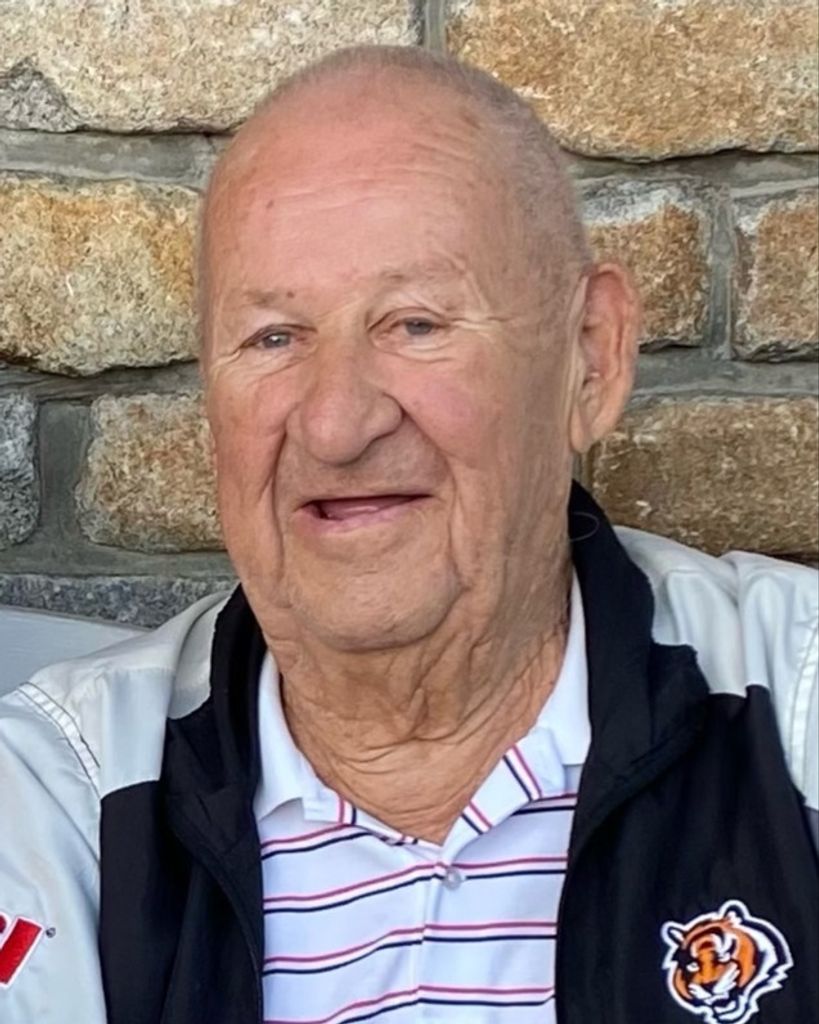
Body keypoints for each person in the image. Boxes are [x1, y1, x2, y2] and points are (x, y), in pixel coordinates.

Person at [0, 45, 816, 1024]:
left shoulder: (793, 706)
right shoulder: (59, 797)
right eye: (273, 337)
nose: (336, 423)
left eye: (415, 324)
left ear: (590, 359)